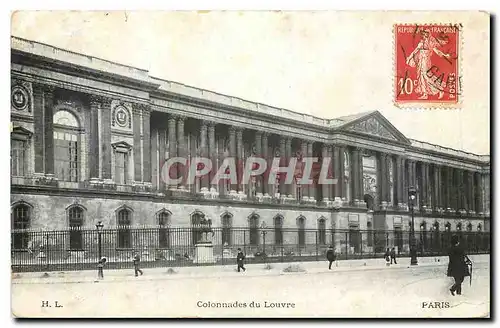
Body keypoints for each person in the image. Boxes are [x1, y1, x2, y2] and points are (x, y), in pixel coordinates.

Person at [405, 29, 451, 100]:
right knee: (421, 76)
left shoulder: (431, 43)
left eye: (427, 33)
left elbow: (437, 51)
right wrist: (409, 58)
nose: (425, 35)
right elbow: (415, 51)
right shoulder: (421, 43)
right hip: (421, 61)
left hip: (426, 61)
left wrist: (445, 55)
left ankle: (440, 89)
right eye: (424, 33)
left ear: (429, 34)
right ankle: (425, 94)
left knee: (426, 76)